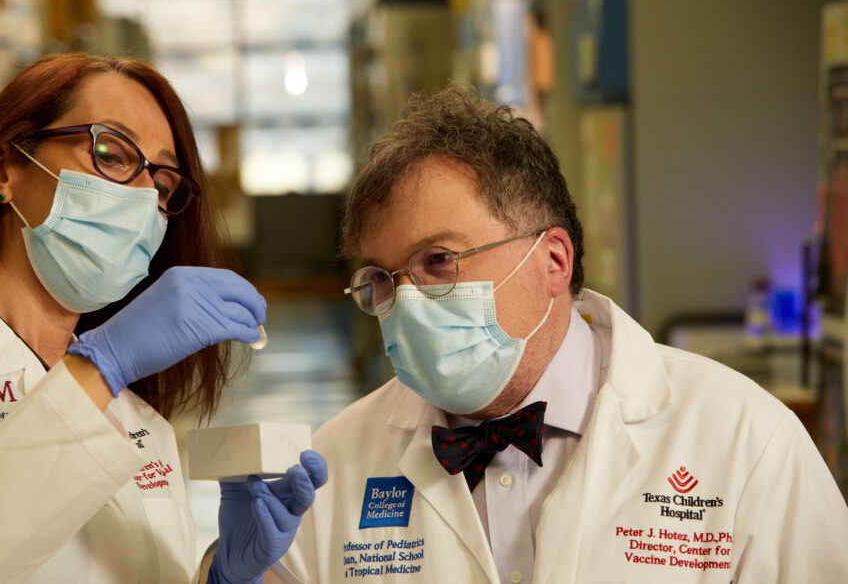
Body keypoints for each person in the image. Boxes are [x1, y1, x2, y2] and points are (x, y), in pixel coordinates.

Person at [274, 84, 848, 583]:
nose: (409, 301)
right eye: (384, 277)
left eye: (440, 261)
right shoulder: (336, 462)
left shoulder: (745, 442)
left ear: (553, 261)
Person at [0, 53, 326, 584]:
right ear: (5, 168)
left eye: (163, 183)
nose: (145, 198)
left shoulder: (140, 421)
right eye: (113, 153)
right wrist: (99, 369)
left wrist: (222, 581)